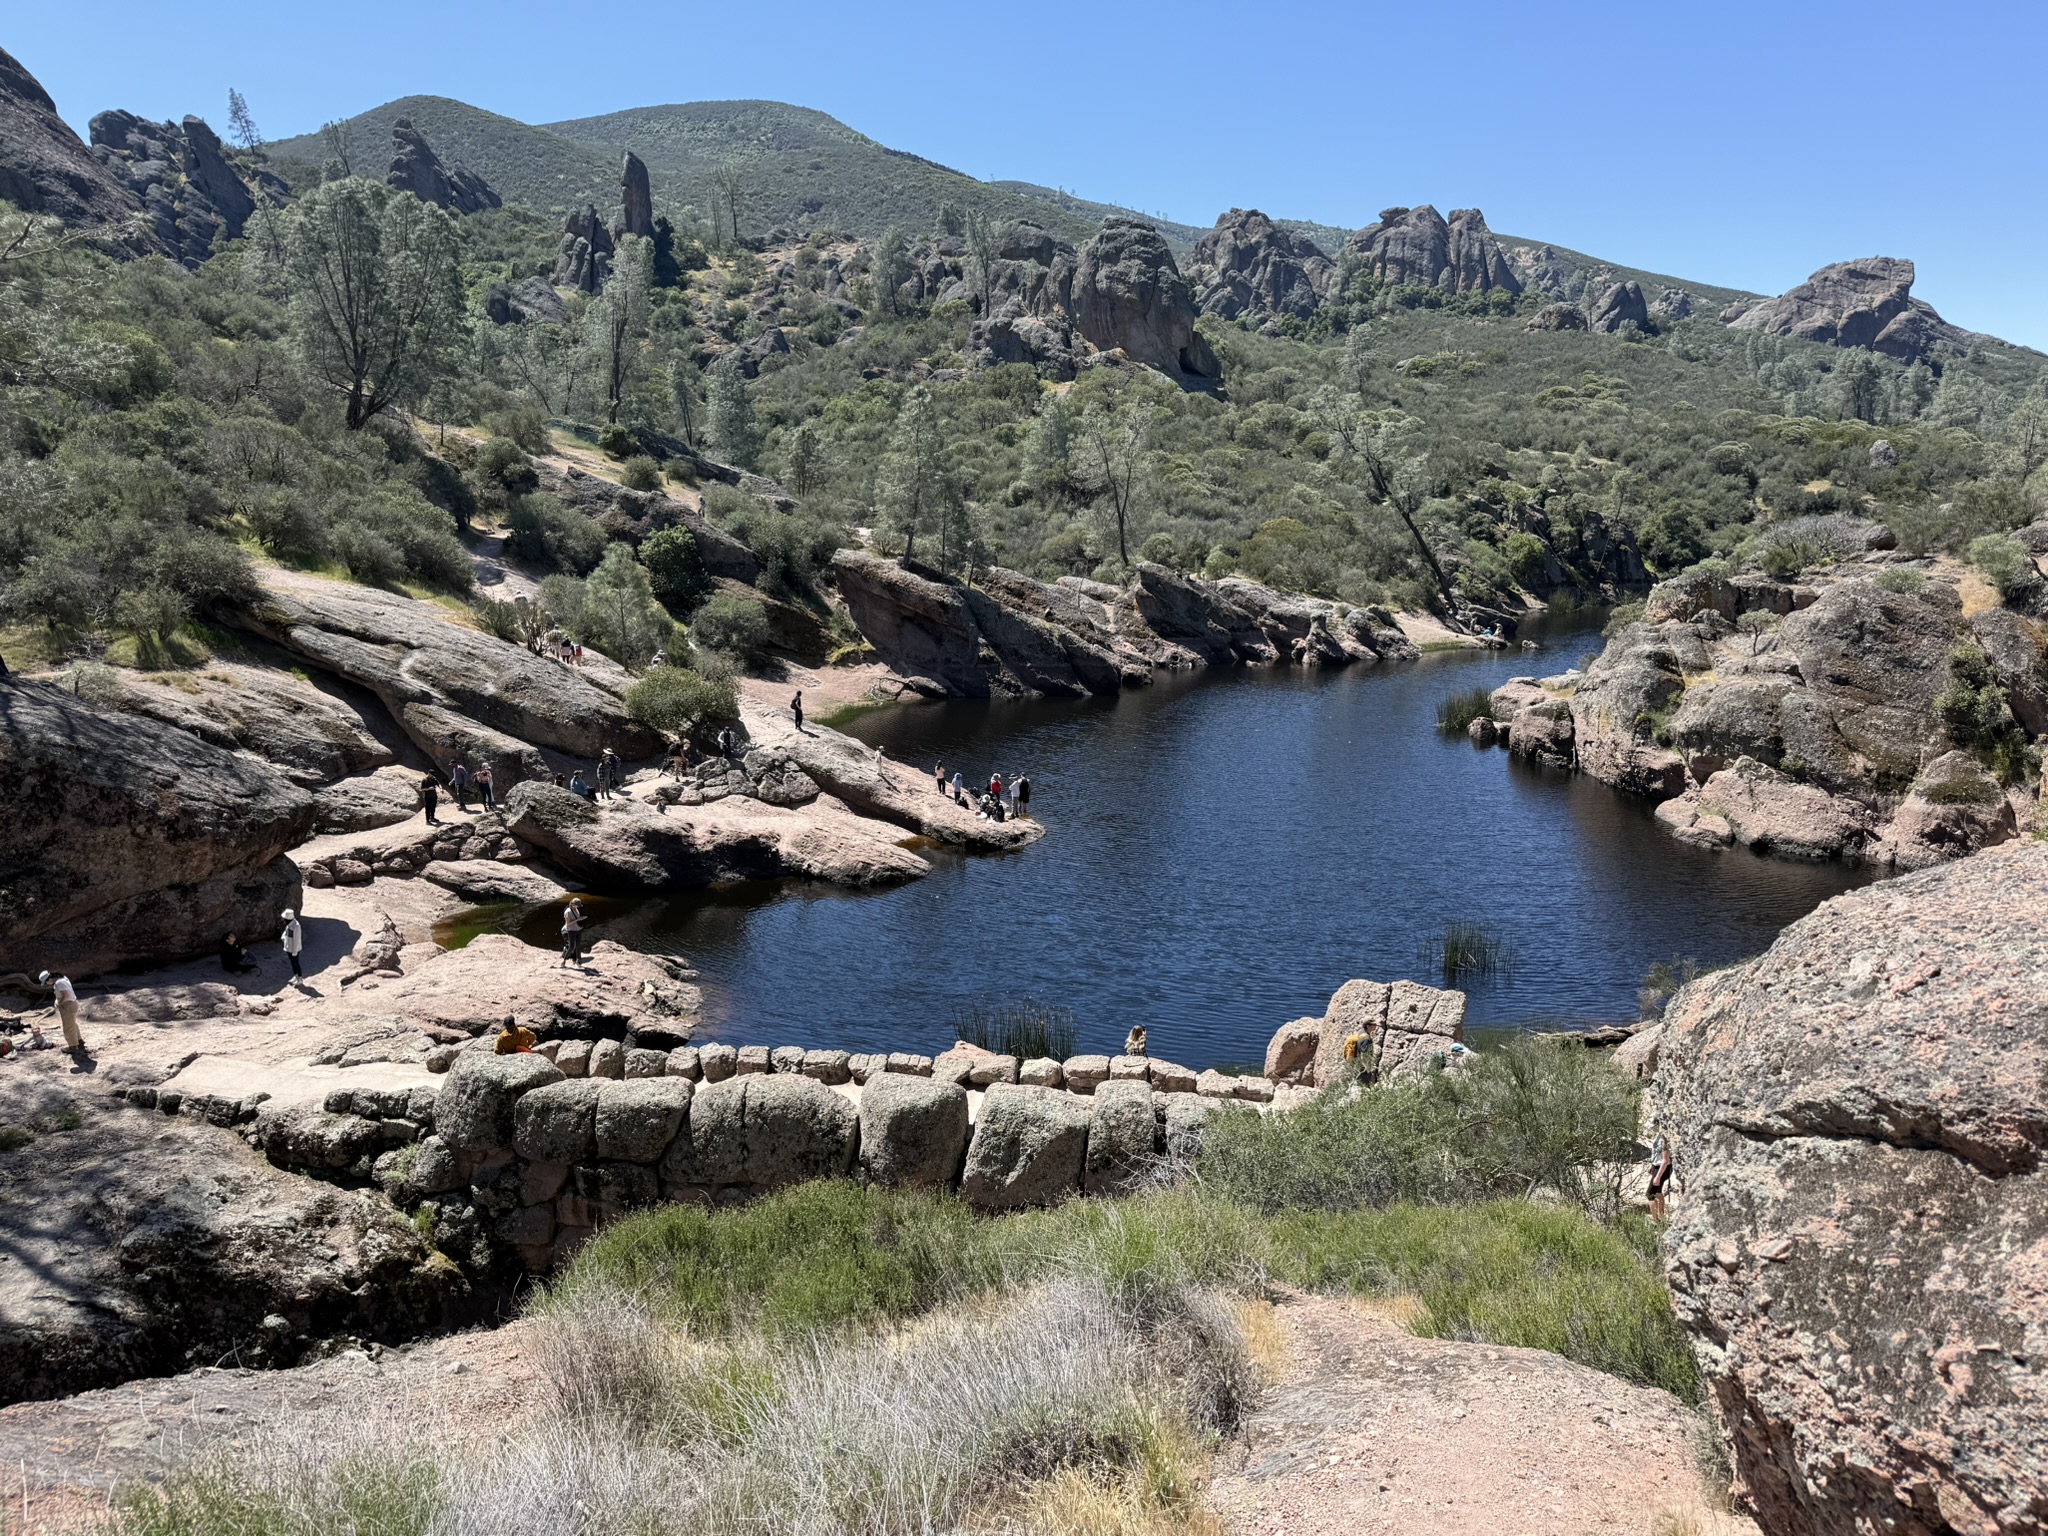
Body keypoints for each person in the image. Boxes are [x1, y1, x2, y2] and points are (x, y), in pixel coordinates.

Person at [37, 971, 82, 1053]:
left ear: (49, 979)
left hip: (67, 1006)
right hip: (73, 1004)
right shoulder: (63, 978)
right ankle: (79, 1040)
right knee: (72, 1024)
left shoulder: (59, 983)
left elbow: (67, 996)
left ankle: (73, 1046)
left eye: (47, 982)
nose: (48, 984)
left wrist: (60, 1003)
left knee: (68, 1027)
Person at [1647, 1133, 1674, 1219]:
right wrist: (1652, 1165)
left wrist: (1658, 1176)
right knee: (1658, 1193)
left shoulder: (1664, 1139)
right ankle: (1662, 1217)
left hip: (1662, 1168)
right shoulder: (1658, 1136)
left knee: (1650, 1195)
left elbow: (1665, 1160)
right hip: (1657, 1167)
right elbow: (1656, 1153)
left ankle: (1656, 1220)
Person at [279, 909, 305, 984]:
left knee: (295, 963)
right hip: (289, 948)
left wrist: (294, 951)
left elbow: (296, 940)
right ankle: (295, 976)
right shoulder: (289, 924)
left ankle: (299, 978)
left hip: (294, 949)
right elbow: (286, 932)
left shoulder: (296, 926)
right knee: (293, 963)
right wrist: (283, 937)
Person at [559, 899, 586, 967]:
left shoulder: (576, 909)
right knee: (571, 947)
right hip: (572, 930)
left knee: (578, 945)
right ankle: (564, 961)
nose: (578, 907)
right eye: (577, 905)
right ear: (573, 904)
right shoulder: (568, 912)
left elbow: (577, 918)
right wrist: (578, 919)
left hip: (578, 929)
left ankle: (578, 961)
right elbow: (568, 924)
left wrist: (581, 918)